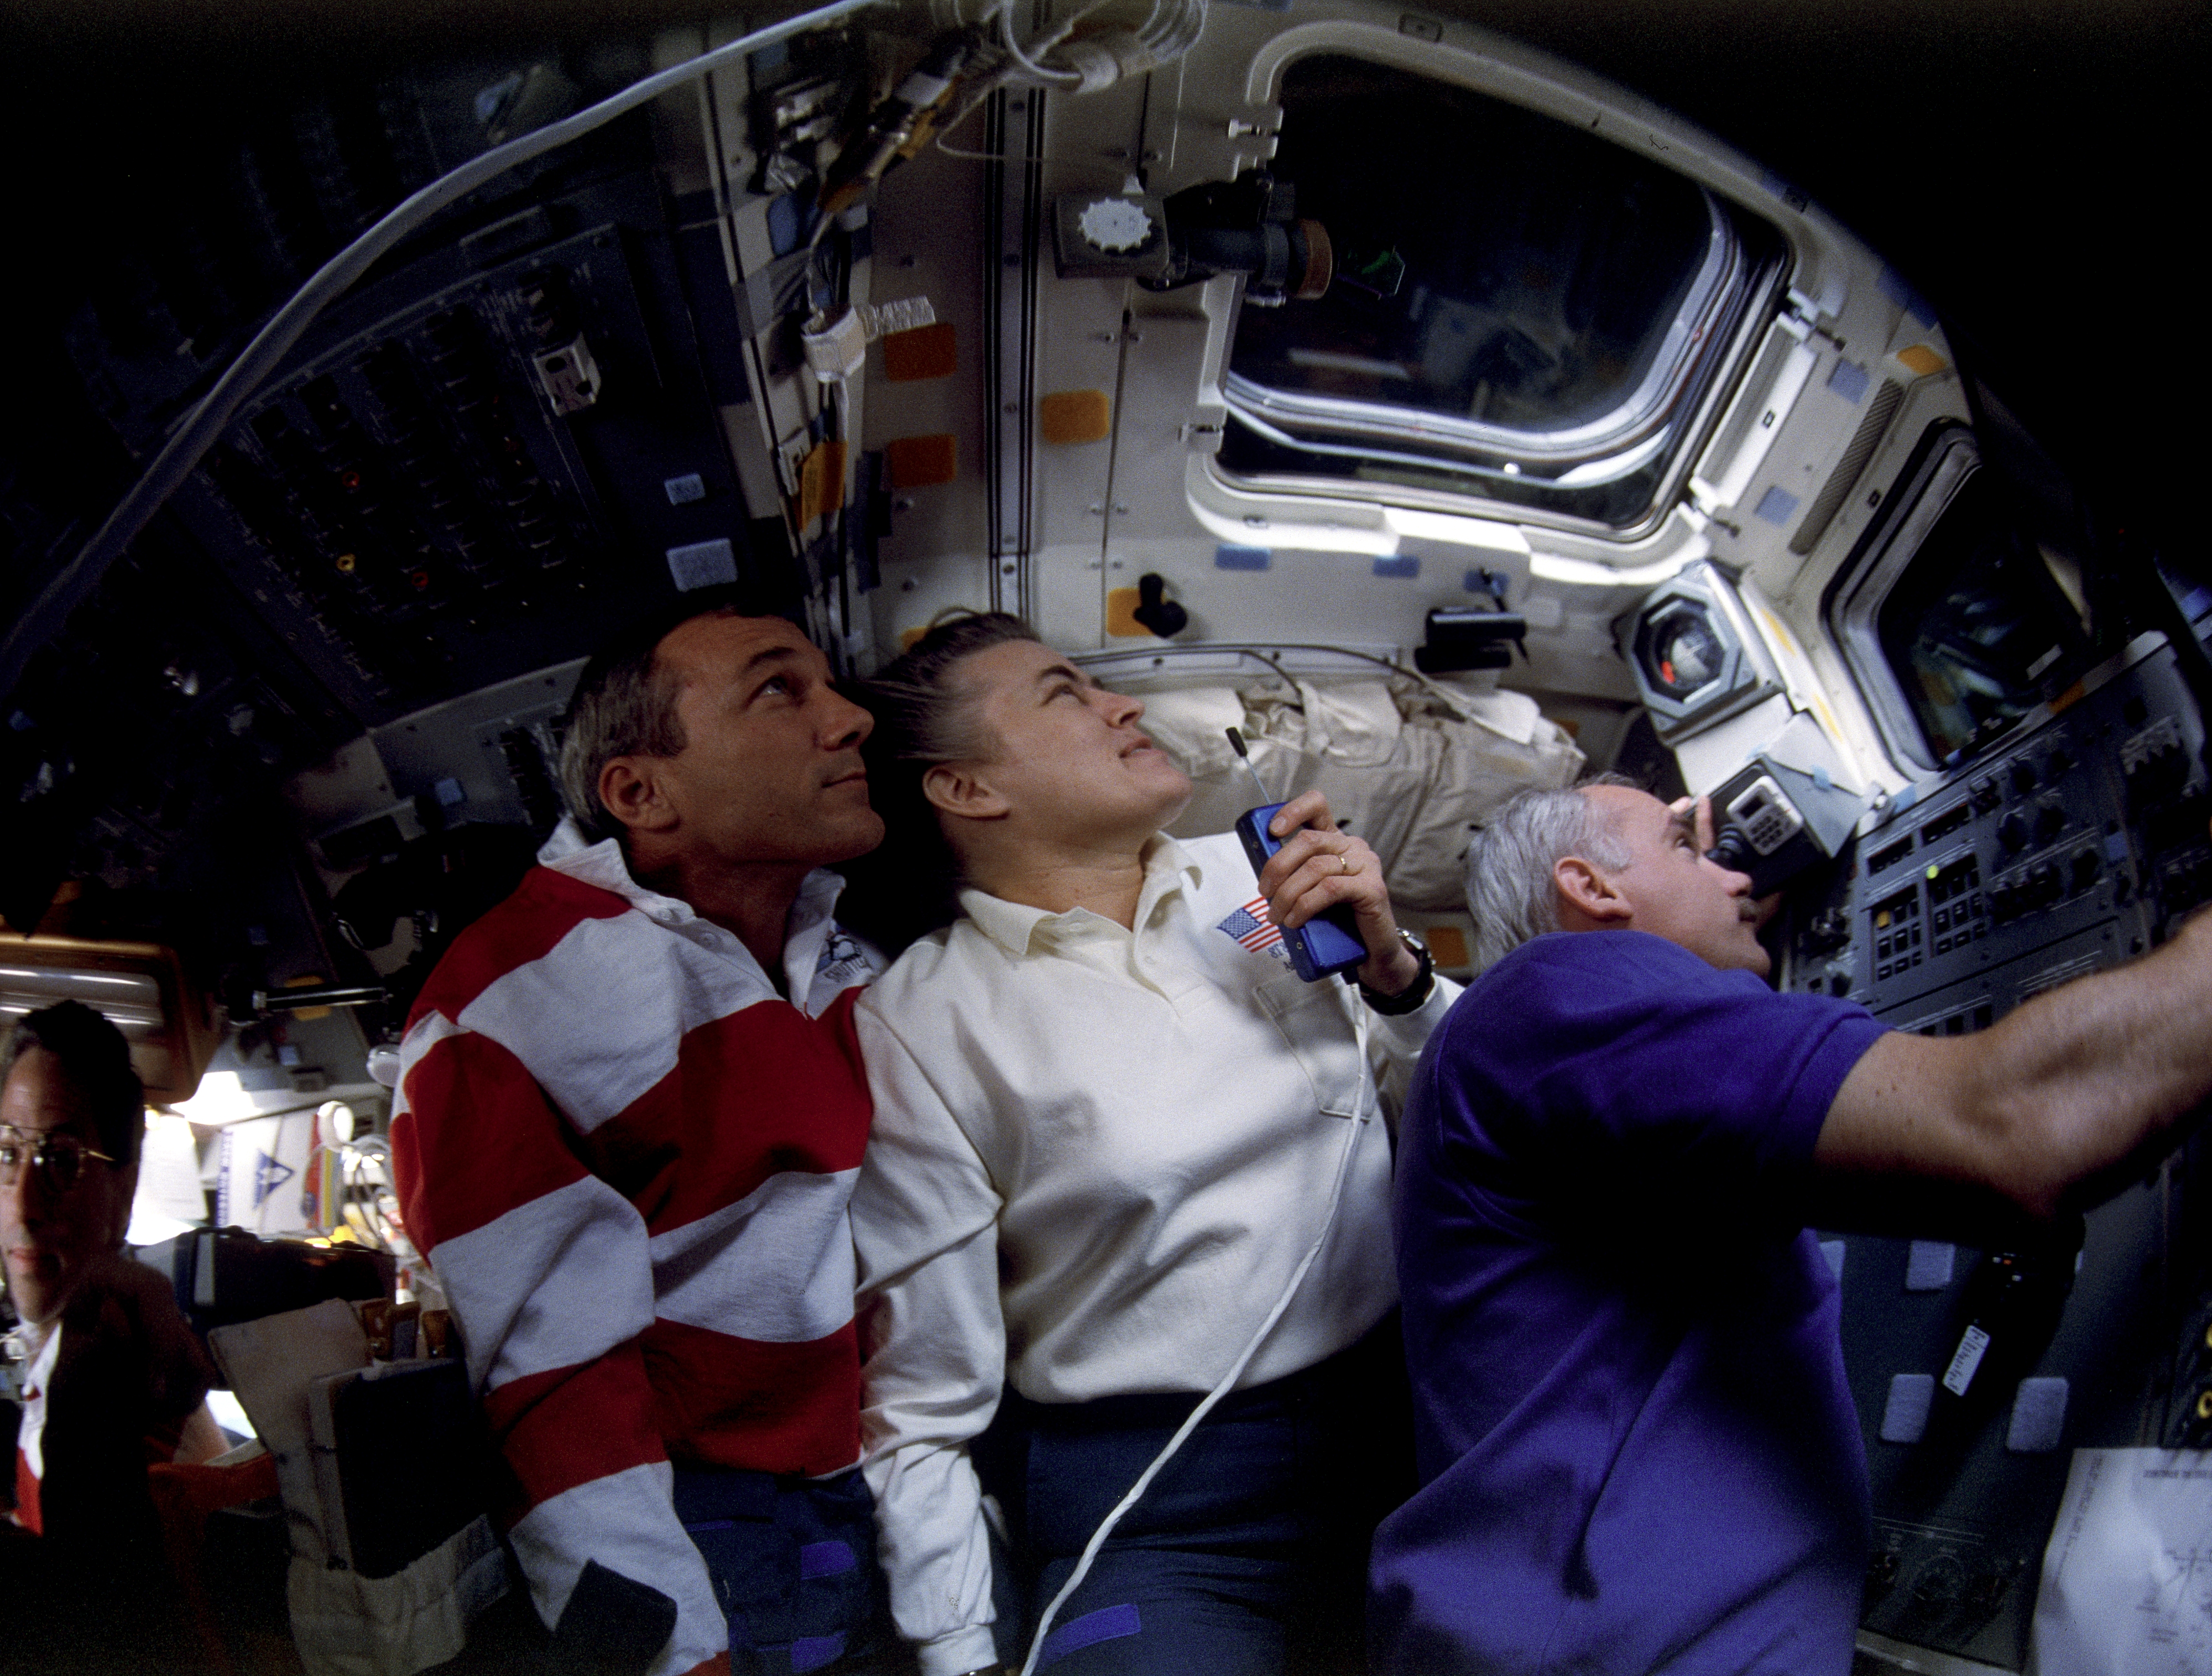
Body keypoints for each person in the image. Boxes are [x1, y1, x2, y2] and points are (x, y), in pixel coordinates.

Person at [1371, 776, 2212, 1675]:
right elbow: (2018, 1125)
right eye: (1686, 848)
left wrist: (1703, 903)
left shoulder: (1528, 1049)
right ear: (1594, 889)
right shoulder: (1559, 993)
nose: (1737, 881)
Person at [846, 613, 1457, 1676]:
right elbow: (922, 1395)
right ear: (967, 790)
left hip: (1411, 1418)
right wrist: (958, 1652)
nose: (1123, 704)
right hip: (1160, 1499)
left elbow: (1472, 1114)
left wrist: (1396, 976)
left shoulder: (1260, 882)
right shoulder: (920, 1020)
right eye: (1065, 693)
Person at [389, 592, 901, 1676]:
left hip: (883, 1486)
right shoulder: (508, 1003)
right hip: (714, 1535)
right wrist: (665, 1650)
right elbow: (550, 1383)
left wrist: (1284, 933)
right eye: (778, 689)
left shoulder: (844, 955)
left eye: (828, 686)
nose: (847, 718)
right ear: (639, 789)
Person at [2, 999, 225, 1667]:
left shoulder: (135, 1394)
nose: (22, 1203)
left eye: (62, 1158)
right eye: (9, 1152)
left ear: (124, 1194)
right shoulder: (51, 1360)